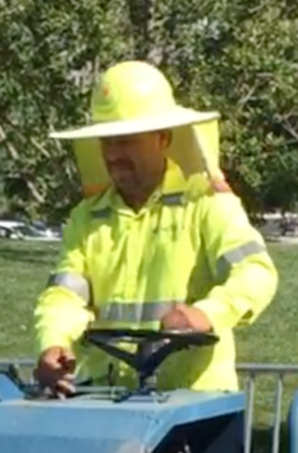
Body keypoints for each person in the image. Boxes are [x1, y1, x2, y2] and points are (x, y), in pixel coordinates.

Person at [33, 60, 278, 396]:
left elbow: (256, 273)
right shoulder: (86, 218)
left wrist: (205, 315)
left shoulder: (206, 203)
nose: (114, 154)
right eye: (107, 142)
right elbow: (64, 297)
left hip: (195, 404)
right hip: (107, 401)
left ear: (163, 138)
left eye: (127, 140)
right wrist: (54, 342)